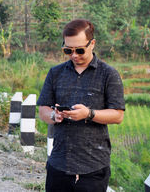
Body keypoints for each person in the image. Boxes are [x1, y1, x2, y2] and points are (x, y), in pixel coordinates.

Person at [37, 19, 125, 192]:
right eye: (68, 50)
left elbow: (118, 115)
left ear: (92, 44)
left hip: (93, 166)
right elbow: (43, 110)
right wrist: (55, 116)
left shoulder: (108, 74)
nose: (74, 55)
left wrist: (89, 114)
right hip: (59, 163)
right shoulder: (56, 73)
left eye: (79, 50)